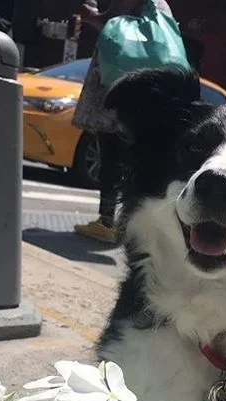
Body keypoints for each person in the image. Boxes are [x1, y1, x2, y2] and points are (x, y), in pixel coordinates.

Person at [72, 0, 176, 243]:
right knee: (135, 161)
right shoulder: (161, 6)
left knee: (112, 159)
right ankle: (132, 224)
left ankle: (107, 222)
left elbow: (114, 26)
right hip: (149, 94)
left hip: (122, 91)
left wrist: (89, 15)